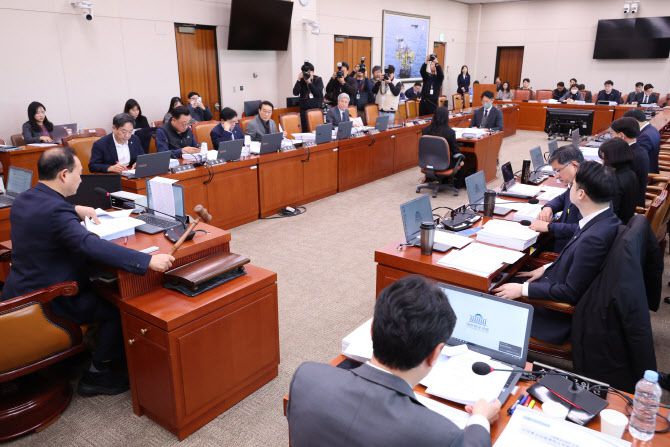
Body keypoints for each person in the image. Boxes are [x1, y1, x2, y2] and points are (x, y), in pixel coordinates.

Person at [2, 147, 174, 396]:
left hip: (19, 289)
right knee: (115, 310)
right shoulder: (56, 211)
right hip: (49, 301)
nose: (81, 180)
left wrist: (74, 209)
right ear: (63, 175)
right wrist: (146, 261)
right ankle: (97, 374)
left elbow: (49, 214)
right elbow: (87, 244)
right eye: (79, 173)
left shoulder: (24, 199)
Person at [287, 275, 500, 446]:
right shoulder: (441, 435)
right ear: (436, 353)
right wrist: (480, 419)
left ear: (372, 330)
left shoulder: (306, 376)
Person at [494, 161, 621, 344]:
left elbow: (571, 292)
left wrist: (522, 290)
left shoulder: (594, 238)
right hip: (553, 279)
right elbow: (579, 263)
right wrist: (548, 267)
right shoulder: (603, 218)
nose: (569, 188)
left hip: (553, 315)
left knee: (491, 294)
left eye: (573, 184)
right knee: (510, 277)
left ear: (581, 194)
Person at [530, 145, 583, 252]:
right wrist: (549, 207)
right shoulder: (578, 180)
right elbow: (564, 198)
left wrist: (549, 227)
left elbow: (584, 228)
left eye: (558, 170)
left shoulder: (587, 188)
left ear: (574, 165)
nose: (557, 176)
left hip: (570, 250)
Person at [610, 117, 648, 207]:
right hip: (634, 196)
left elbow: (618, 183)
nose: (611, 138)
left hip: (628, 205)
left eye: (612, 134)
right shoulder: (640, 149)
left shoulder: (628, 157)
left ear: (621, 136)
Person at [599, 138, 639, 224]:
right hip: (627, 220)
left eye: (604, 158)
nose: (602, 161)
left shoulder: (614, 181)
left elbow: (610, 213)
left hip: (616, 225)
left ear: (612, 157)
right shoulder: (630, 173)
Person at [624, 109, 661, 174]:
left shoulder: (644, 136)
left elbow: (638, 158)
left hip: (646, 174)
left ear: (634, 121)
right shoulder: (652, 129)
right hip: (651, 167)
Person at [292, 61, 324, 131]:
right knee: (305, 131)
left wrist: (309, 82)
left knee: (316, 130)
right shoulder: (301, 81)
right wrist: (298, 79)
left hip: (315, 110)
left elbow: (318, 94)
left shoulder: (318, 79)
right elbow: (295, 93)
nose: (306, 74)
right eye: (305, 72)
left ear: (312, 72)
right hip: (304, 111)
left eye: (308, 72)